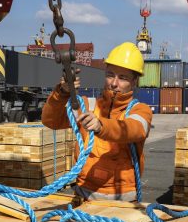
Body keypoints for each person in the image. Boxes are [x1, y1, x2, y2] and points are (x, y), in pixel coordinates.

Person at [41, 42, 153, 202]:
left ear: (134, 82)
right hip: (84, 194)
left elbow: (134, 129)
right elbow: (51, 121)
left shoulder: (140, 110)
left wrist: (101, 126)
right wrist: (62, 92)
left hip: (123, 198)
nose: (114, 83)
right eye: (110, 75)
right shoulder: (88, 106)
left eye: (122, 78)